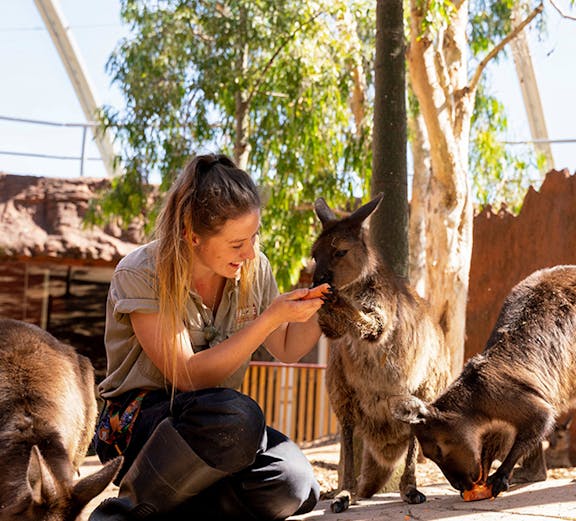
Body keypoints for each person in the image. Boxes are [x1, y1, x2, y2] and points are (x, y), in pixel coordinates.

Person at [89, 153, 328, 521]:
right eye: (236, 244)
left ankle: (179, 510)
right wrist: (268, 319)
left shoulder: (254, 267)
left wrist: (322, 304)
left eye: (253, 238)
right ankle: (124, 513)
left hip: (219, 432)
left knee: (294, 484)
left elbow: (288, 348)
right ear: (192, 233)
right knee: (238, 417)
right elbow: (188, 376)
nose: (249, 253)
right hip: (144, 425)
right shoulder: (140, 272)